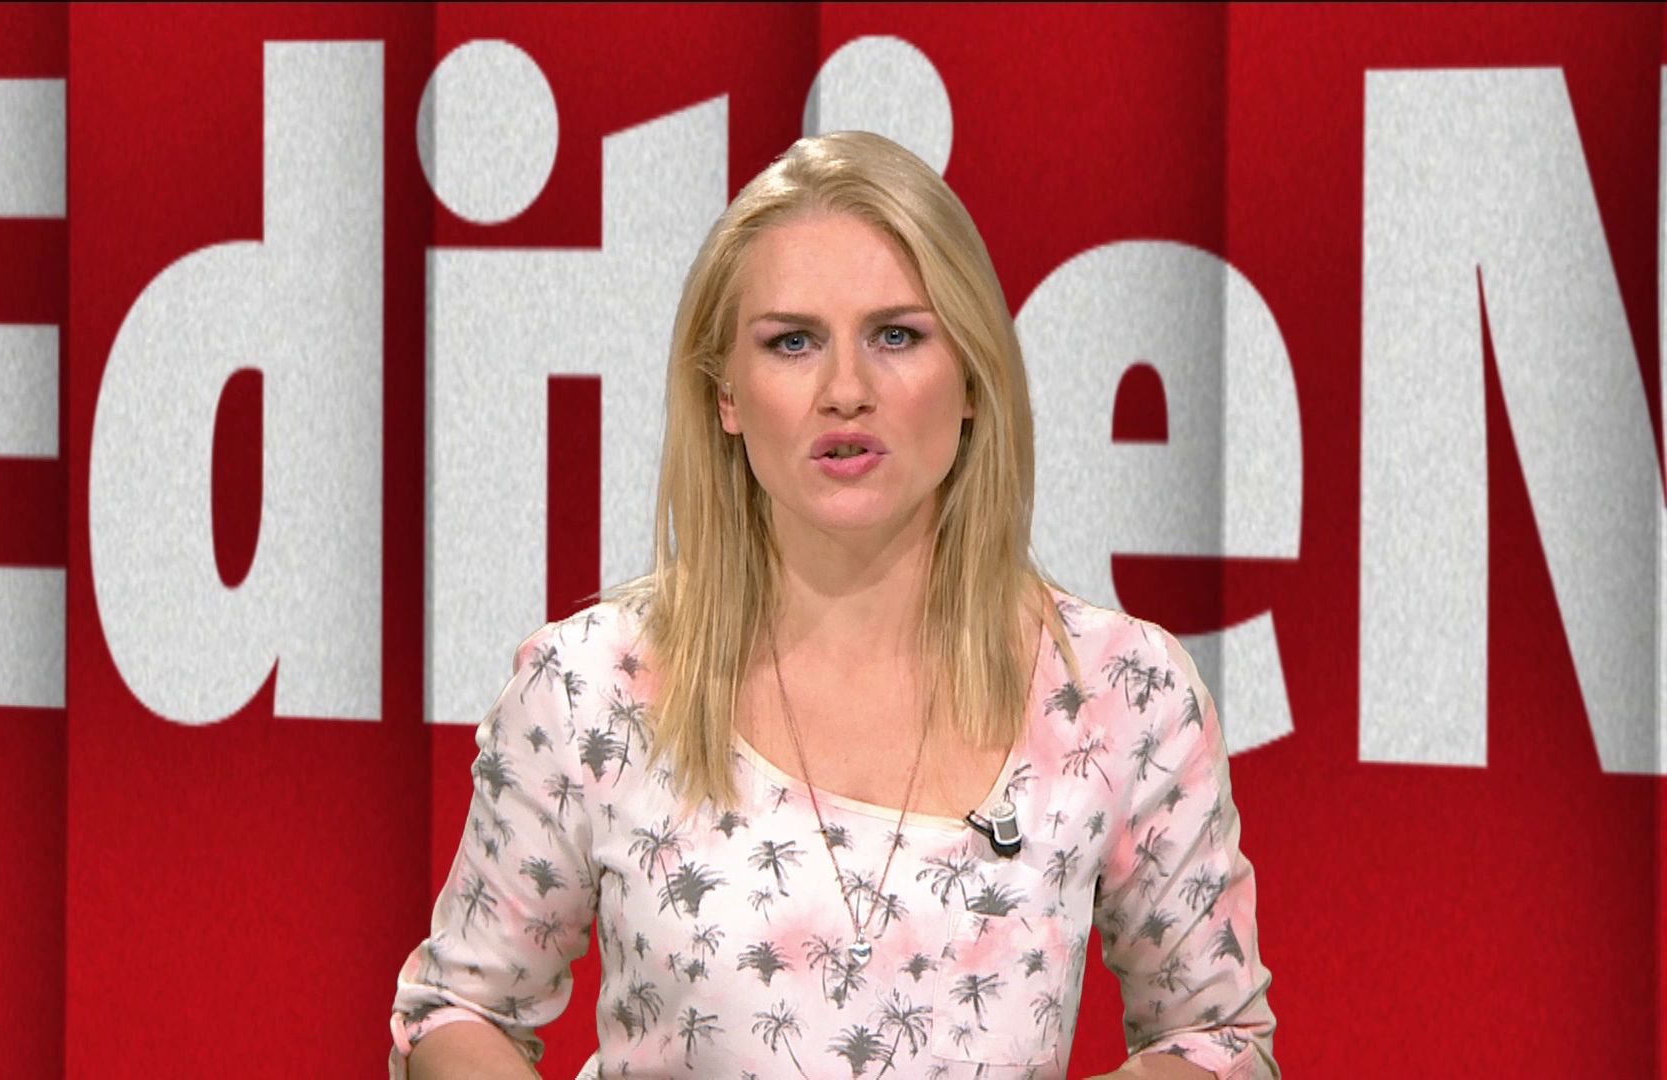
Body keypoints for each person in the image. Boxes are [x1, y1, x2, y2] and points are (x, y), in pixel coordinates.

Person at [392, 131, 1278, 1080]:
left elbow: (1217, 1040)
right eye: (793, 342)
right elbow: (458, 1011)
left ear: (972, 377)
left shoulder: (1121, 694)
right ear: (727, 395)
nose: (845, 391)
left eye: (897, 336)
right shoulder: (591, 688)